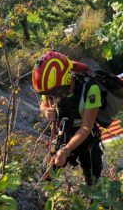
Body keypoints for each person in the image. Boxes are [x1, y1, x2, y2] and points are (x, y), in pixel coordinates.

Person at [32, 50, 103, 185]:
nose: (54, 96)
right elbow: (43, 104)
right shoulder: (51, 87)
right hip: (63, 132)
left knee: (93, 178)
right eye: (50, 93)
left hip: (86, 137)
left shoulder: (90, 89)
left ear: (67, 79)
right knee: (46, 174)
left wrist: (66, 150)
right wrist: (46, 110)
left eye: (56, 92)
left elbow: (86, 127)